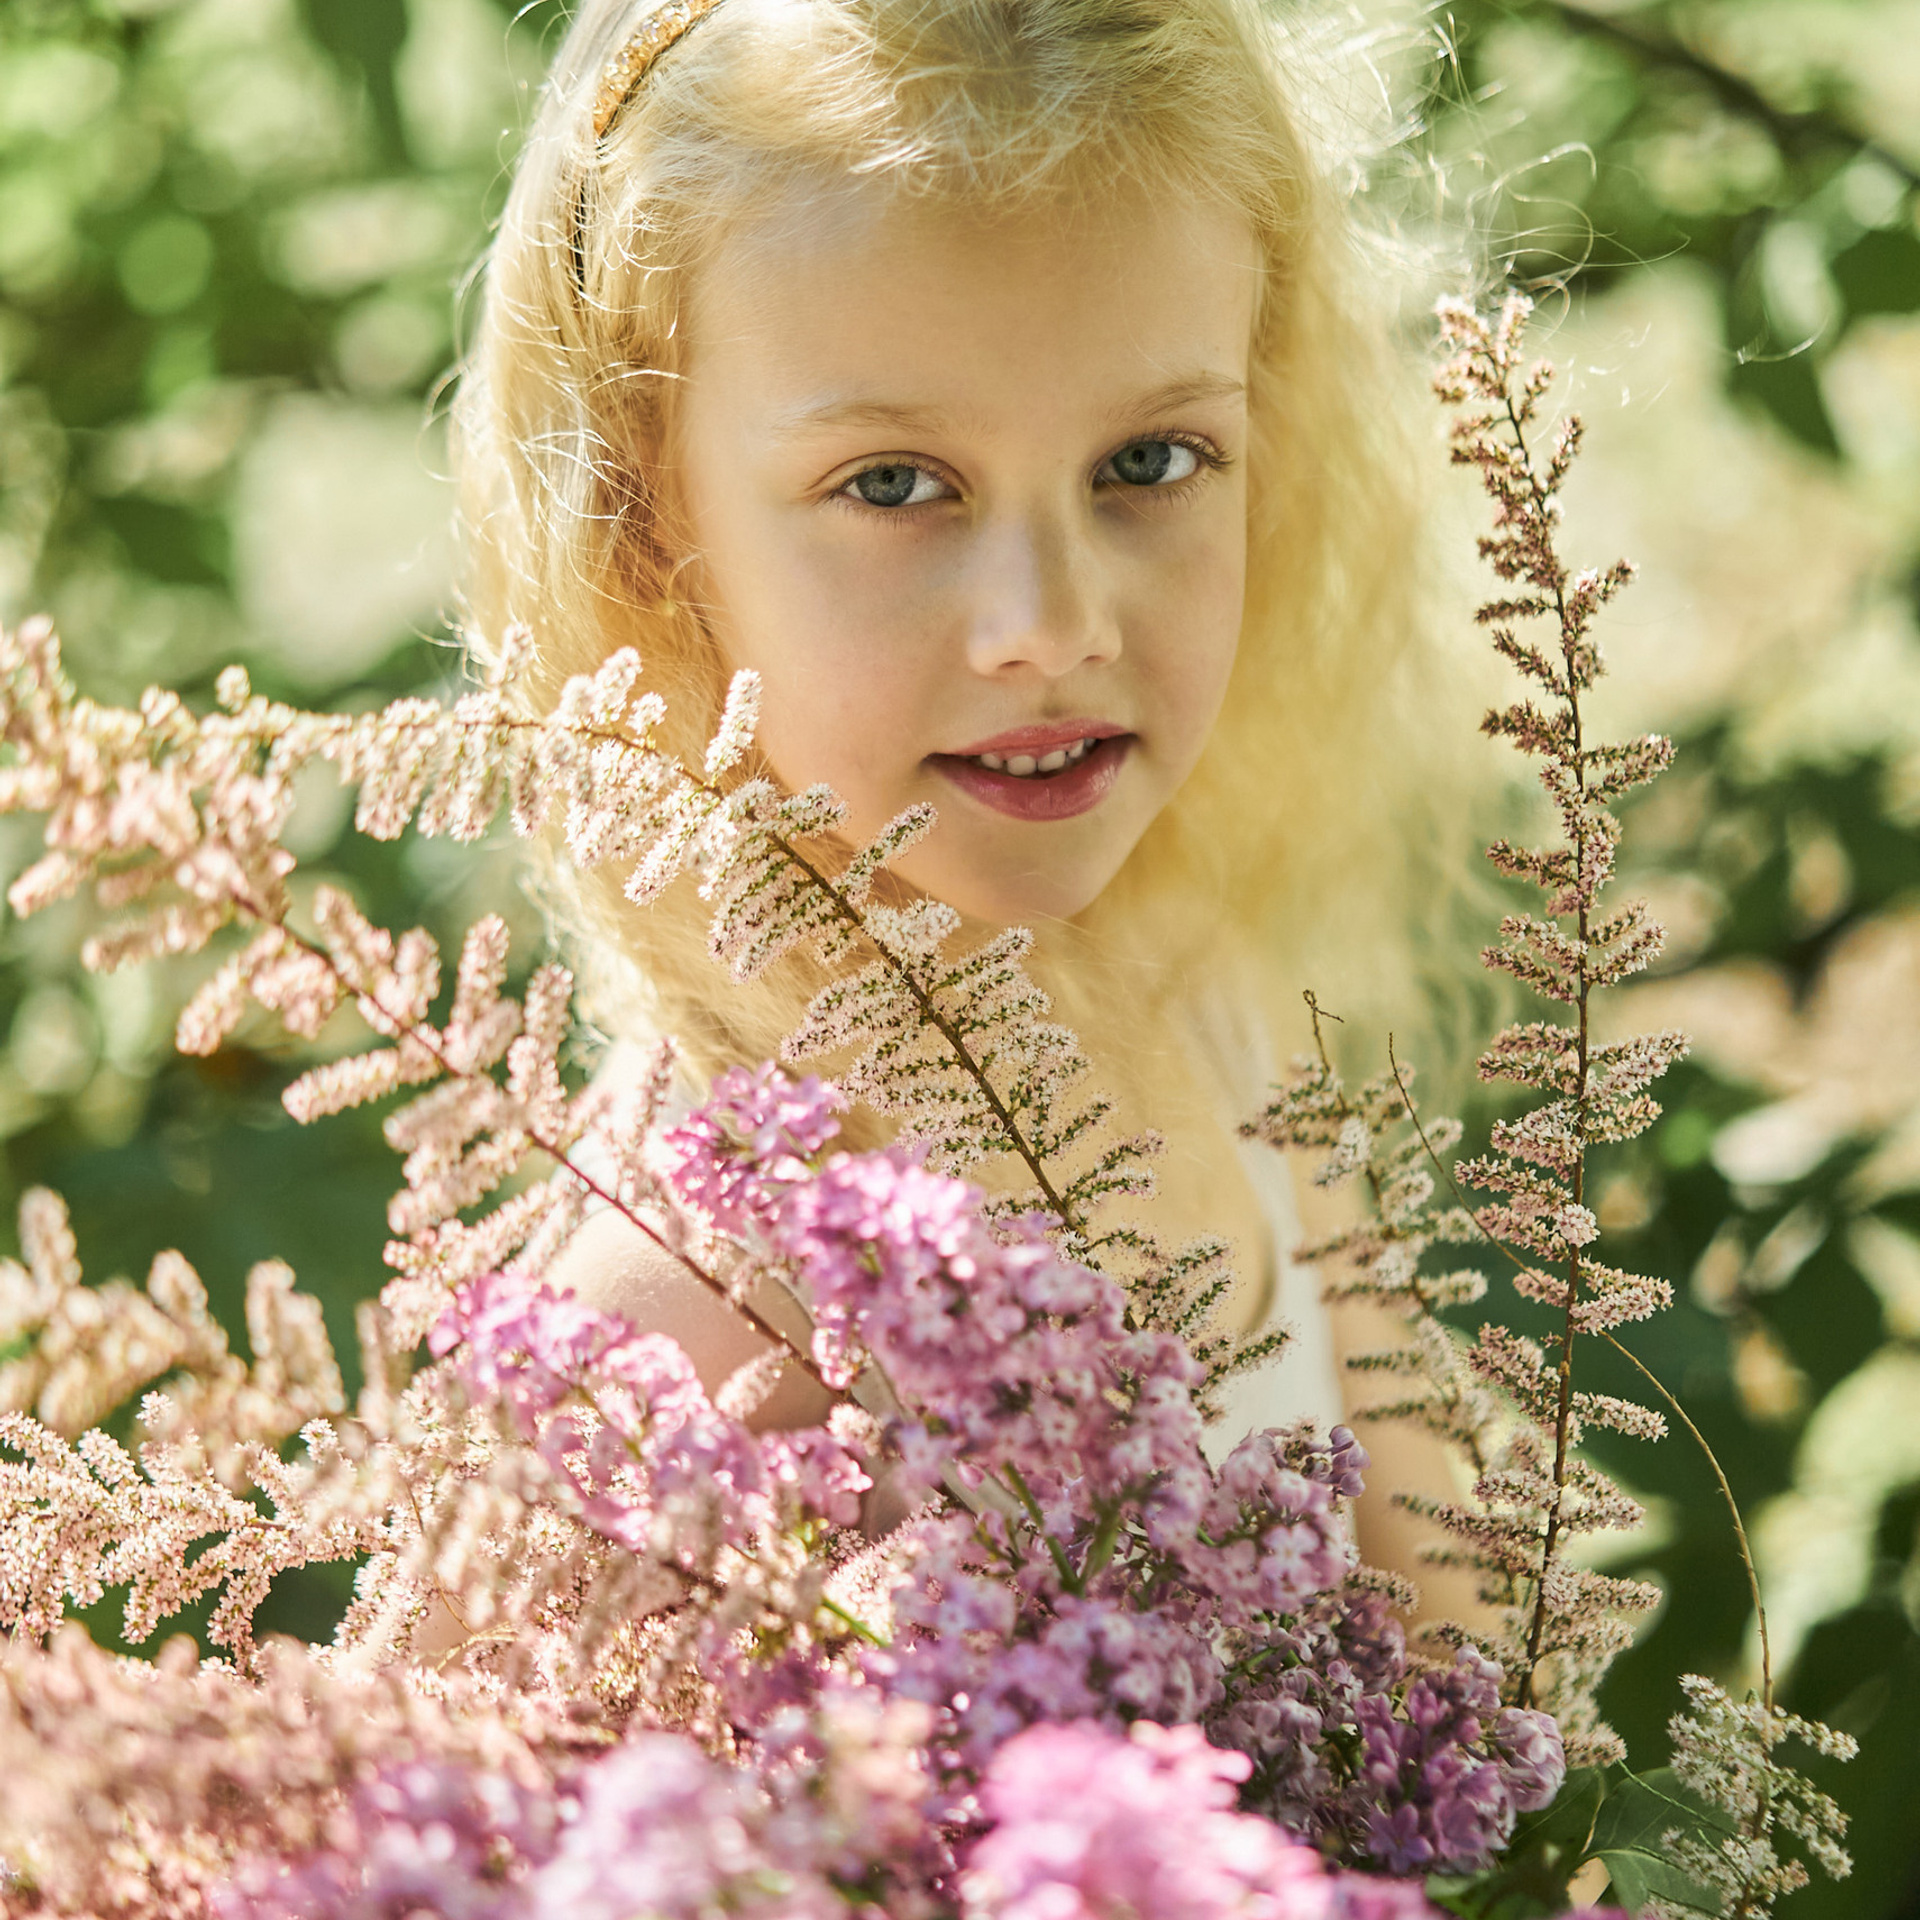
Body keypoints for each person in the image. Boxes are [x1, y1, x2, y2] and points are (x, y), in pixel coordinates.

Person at [452, 0, 1469, 1596]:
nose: (1053, 625)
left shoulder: (1225, 1010)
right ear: (651, 522)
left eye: (1151, 461)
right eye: (896, 486)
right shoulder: (680, 1325)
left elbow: (1469, 1647)